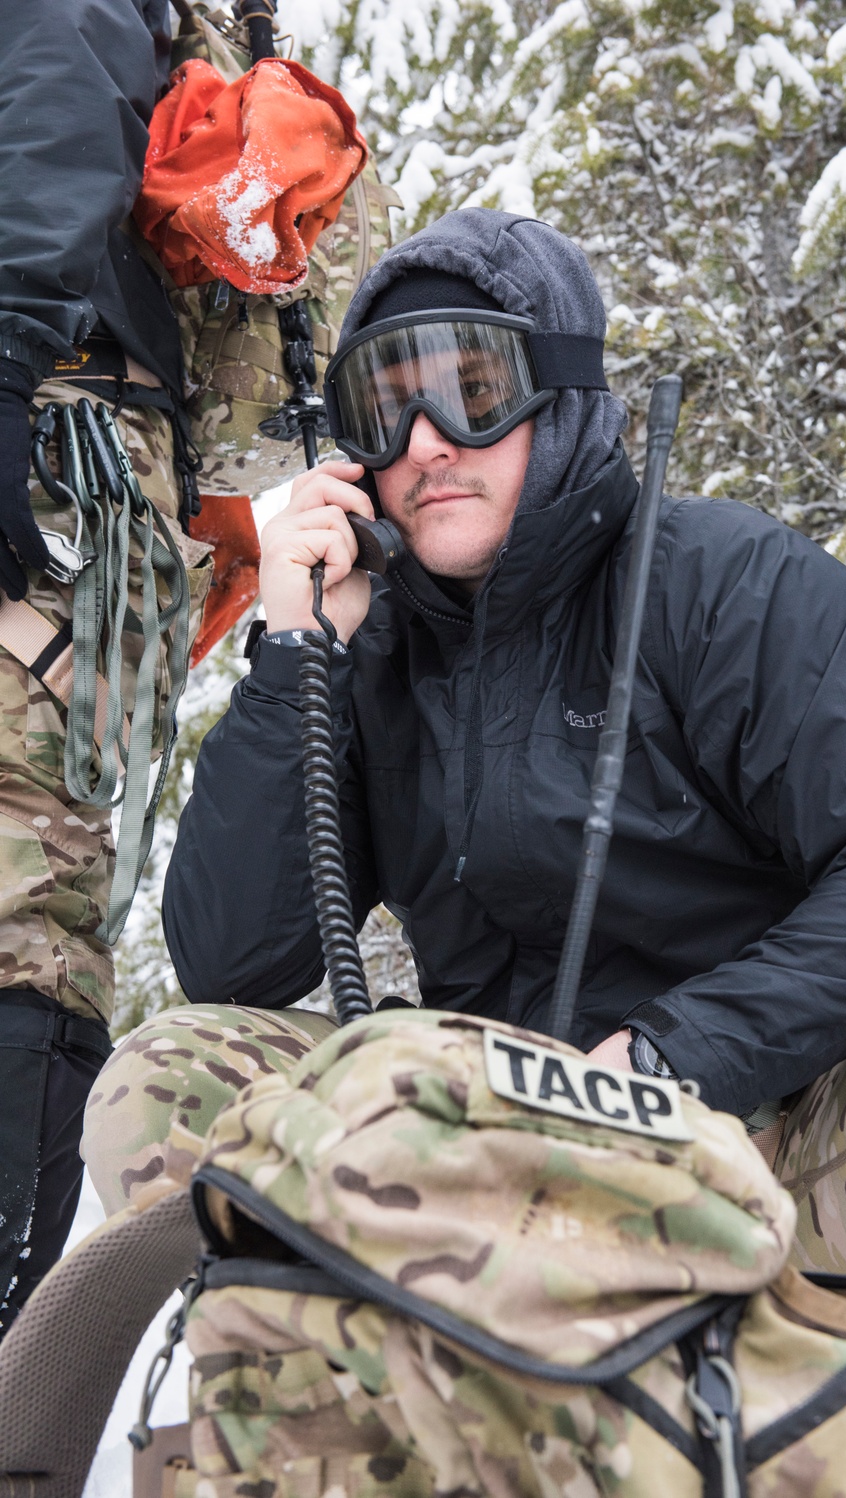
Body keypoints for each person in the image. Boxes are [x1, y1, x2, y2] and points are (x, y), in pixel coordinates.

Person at [85, 209, 846, 1495]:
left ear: (560, 395)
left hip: (765, 1140)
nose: (423, 447)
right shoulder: (372, 642)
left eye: (470, 389)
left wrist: (679, 1053)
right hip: (486, 1155)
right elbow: (232, 957)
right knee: (171, 1068)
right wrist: (297, 653)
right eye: (381, 406)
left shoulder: (728, 584)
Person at [0, 0, 212, 1331]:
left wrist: (5, 350)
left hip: (55, 428)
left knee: (24, 929)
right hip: (98, 465)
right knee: (49, 934)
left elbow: (60, 110)